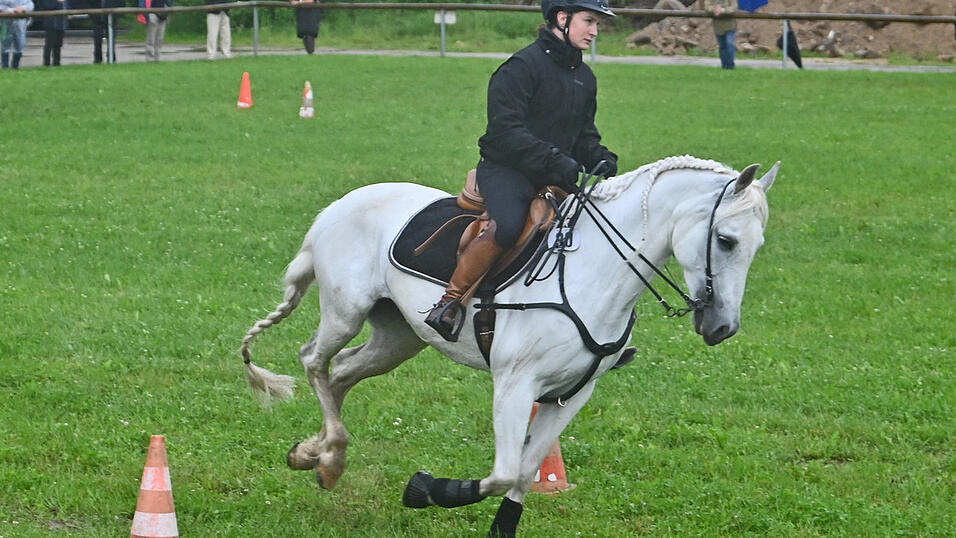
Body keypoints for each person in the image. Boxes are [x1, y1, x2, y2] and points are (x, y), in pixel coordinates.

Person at [424, 0, 619, 342]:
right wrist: (555, 159)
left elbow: (584, 135)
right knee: (509, 226)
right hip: (506, 170)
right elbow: (505, 132)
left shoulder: (585, 78)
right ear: (562, 18)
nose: (594, 31)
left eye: (597, 24)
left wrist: (600, 157)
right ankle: (449, 302)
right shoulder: (520, 67)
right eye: (589, 21)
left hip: (553, 176)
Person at [701, 0, 737, 69]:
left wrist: (723, 10)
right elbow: (707, 7)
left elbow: (734, 7)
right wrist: (715, 9)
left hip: (730, 25)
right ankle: (724, 66)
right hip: (718, 25)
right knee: (722, 46)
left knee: (729, 43)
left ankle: (731, 66)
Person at [0, 0, 33, 69]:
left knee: (20, 45)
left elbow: (31, 5)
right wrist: (11, 10)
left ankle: (15, 66)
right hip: (5, 24)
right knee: (5, 46)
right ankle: (5, 67)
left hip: (20, 24)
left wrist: (24, 8)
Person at [38, 0, 67, 66]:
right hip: (51, 23)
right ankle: (46, 63)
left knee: (59, 44)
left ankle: (57, 63)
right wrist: (58, 2)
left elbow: (66, 5)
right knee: (49, 44)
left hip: (61, 23)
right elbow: (47, 6)